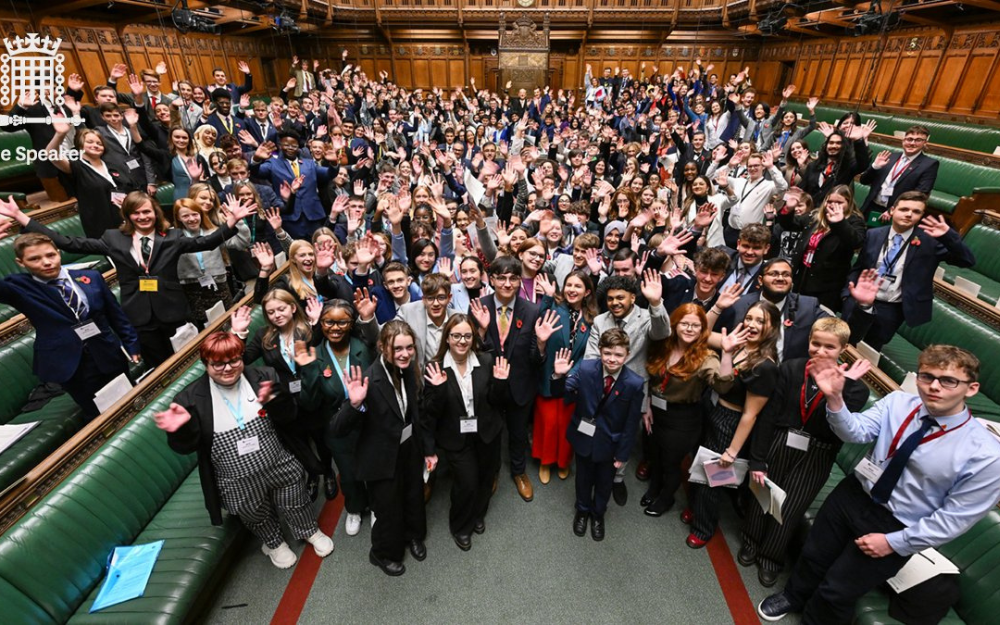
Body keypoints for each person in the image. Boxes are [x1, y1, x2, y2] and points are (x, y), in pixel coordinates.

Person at [758, 345, 1000, 623]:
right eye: (926, 376)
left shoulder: (987, 455)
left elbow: (953, 519)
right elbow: (855, 432)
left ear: (971, 388)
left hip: (897, 524)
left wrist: (895, 542)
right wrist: (835, 399)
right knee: (814, 554)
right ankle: (794, 595)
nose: (934, 387)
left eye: (948, 380)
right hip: (854, 494)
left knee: (838, 590)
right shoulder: (898, 403)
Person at [2, 192, 253, 367]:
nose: (142, 217)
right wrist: (24, 219)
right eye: (136, 213)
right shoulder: (113, 239)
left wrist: (231, 222)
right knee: (159, 366)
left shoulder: (172, 237)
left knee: (187, 358)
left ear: (155, 213)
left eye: (147, 212)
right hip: (139, 315)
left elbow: (205, 242)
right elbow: (70, 243)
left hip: (174, 310)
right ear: (128, 216)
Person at [153, 332, 334, 570]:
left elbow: (290, 416)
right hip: (235, 478)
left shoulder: (263, 377)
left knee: (295, 498)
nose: (228, 368)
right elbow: (185, 447)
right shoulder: (190, 399)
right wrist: (179, 430)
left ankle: (309, 530)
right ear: (206, 364)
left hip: (278, 461)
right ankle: (274, 543)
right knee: (254, 513)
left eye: (234, 360)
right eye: (218, 363)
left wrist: (277, 400)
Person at [740, 318, 869, 588]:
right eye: (816, 343)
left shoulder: (855, 388)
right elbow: (768, 417)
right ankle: (750, 542)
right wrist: (758, 459)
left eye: (829, 347)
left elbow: (839, 431)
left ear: (843, 348)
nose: (820, 351)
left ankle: (770, 558)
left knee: (791, 507)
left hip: (817, 453)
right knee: (762, 494)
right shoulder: (791, 369)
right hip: (779, 441)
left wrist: (837, 392)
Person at [0, 230, 141, 420]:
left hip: (107, 351)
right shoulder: (18, 287)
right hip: (70, 364)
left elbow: (115, 314)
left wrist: (131, 343)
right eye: (35, 259)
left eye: (50, 255)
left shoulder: (90, 276)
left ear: (58, 252)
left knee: (128, 400)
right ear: (21, 263)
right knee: (98, 416)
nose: (46, 262)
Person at [331, 321, 427, 576]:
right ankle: (382, 554)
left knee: (413, 496)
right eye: (398, 349)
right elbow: (338, 429)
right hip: (381, 458)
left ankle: (414, 536)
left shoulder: (408, 369)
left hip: (407, 450)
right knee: (388, 509)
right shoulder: (369, 379)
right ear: (384, 348)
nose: (405, 353)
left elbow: (414, 414)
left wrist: (427, 450)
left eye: (409, 347)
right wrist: (355, 405)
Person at [686, 300, 779, 549]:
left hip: (730, 422)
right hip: (711, 408)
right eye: (749, 318)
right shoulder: (739, 343)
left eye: (760, 321)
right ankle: (695, 510)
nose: (752, 324)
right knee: (698, 463)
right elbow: (701, 333)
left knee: (713, 479)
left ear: (773, 327)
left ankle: (703, 528)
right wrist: (717, 307)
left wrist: (732, 451)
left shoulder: (765, 366)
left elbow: (751, 414)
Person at [842, 191, 976, 351]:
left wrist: (948, 236)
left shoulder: (930, 241)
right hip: (860, 301)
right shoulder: (874, 234)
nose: (909, 214)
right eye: (904, 209)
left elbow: (967, 260)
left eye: (916, 211)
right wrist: (847, 296)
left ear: (921, 216)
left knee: (869, 349)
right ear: (892, 210)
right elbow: (859, 267)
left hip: (891, 309)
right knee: (843, 343)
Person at [420, 315, 511, 551]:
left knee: (485, 479)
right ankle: (460, 526)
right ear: (447, 338)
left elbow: (495, 401)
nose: (462, 341)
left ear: (473, 338)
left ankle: (478, 515)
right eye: (456, 336)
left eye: (467, 336)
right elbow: (430, 414)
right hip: (455, 437)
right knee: (466, 484)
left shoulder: (486, 360)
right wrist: (439, 390)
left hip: (486, 433)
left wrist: (501, 383)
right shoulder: (435, 367)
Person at [643, 304, 741, 517]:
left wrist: (727, 354)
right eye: (684, 324)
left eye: (695, 325)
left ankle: (666, 498)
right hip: (657, 412)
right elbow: (652, 380)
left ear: (702, 329)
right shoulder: (663, 346)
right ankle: (654, 488)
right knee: (656, 455)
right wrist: (647, 405)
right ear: (675, 325)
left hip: (682, 420)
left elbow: (723, 386)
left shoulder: (706, 357)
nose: (689, 329)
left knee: (671, 462)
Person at [294, 297, 378, 537]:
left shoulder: (364, 347)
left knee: (372, 466)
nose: (335, 327)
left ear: (351, 324)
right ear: (320, 323)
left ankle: (375, 506)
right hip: (337, 426)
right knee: (348, 473)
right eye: (329, 321)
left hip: (367, 421)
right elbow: (309, 403)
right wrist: (309, 369)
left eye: (342, 322)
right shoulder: (313, 355)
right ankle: (354, 508)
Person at [586, 271, 671, 506]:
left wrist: (656, 302)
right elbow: (592, 356)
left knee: (626, 436)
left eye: (620, 297)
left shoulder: (646, 318)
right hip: (604, 387)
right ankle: (597, 471)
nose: (615, 303)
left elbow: (663, 333)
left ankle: (617, 477)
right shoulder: (601, 321)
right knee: (600, 431)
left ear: (633, 298)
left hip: (634, 390)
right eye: (611, 298)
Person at [551, 329, 644, 541]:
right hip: (584, 437)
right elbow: (561, 393)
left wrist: (623, 454)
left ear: (627, 355)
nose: (612, 359)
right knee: (583, 479)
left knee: (604, 483)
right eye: (608, 353)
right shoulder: (585, 369)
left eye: (618, 355)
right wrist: (558, 375)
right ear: (600, 351)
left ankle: (598, 514)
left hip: (611, 445)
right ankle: (582, 511)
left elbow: (631, 424)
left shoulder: (634, 383)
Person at [533, 271, 597, 484]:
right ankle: (545, 460)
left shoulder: (591, 318)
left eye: (578, 286)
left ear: (587, 291)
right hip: (548, 376)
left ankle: (563, 462)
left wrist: (571, 372)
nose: (572, 289)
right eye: (569, 285)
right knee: (548, 423)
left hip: (573, 380)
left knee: (567, 424)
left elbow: (589, 352)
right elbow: (539, 333)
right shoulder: (554, 308)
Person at [775, 184, 865, 313]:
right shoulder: (816, 216)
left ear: (849, 203)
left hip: (827, 284)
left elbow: (856, 242)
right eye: (830, 201)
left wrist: (840, 223)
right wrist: (788, 209)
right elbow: (790, 224)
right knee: (792, 313)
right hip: (802, 276)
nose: (833, 205)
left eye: (839, 202)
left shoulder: (854, 220)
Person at [173, 198, 251, 326]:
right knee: (204, 328)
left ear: (200, 214)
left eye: (195, 214)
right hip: (192, 290)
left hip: (218, 286)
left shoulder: (213, 232)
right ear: (178, 218)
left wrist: (239, 222)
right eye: (185, 216)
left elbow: (241, 243)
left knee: (228, 322)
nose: (191, 219)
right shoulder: (173, 238)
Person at [859, 125, 938, 223]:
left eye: (918, 140)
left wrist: (893, 209)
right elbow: (863, 181)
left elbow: (921, 193)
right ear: (903, 141)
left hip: (897, 213)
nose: (912, 143)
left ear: (925, 143)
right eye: (909, 139)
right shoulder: (890, 157)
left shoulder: (929, 164)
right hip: (871, 207)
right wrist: (875, 166)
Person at [395, 272, 454, 368]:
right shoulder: (408, 312)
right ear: (423, 299)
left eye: (441, 297)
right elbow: (383, 334)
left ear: (449, 298)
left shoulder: (457, 318)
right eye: (430, 298)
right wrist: (368, 317)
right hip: (420, 378)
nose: (436, 303)